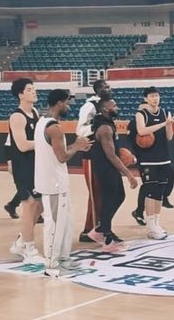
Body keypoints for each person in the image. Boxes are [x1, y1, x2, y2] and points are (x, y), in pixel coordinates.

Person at [35, 89, 92, 277]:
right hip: (53, 184)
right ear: (59, 103)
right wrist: (77, 146)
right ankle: (51, 266)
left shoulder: (41, 121)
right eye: (67, 102)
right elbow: (62, 157)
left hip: (57, 182)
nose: (69, 106)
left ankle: (63, 258)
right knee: (54, 225)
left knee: (66, 224)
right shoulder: (54, 128)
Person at [87, 95, 139, 252]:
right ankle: (107, 239)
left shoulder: (108, 124)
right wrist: (128, 174)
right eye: (114, 105)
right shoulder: (105, 128)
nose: (117, 108)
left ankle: (100, 229)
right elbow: (111, 155)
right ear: (105, 108)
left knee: (118, 196)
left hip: (110, 168)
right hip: (105, 168)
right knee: (109, 200)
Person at [8, 78, 45, 264]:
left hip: (35, 165)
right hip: (23, 166)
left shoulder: (35, 112)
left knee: (40, 206)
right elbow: (22, 145)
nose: (34, 92)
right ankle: (29, 251)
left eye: (34, 88)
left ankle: (21, 242)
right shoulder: (17, 116)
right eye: (29, 89)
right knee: (30, 206)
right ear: (21, 94)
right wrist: (44, 143)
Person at [136, 86, 174, 240]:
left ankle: (156, 224)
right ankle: (151, 226)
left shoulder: (164, 112)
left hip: (164, 158)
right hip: (148, 159)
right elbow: (141, 131)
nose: (155, 98)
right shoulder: (141, 114)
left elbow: (169, 137)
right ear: (146, 98)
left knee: (159, 193)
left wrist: (169, 124)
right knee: (150, 192)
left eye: (157, 96)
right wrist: (163, 124)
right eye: (152, 96)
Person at [76, 79, 110, 243]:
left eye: (108, 86)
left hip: (105, 155)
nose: (108, 89)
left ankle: (103, 227)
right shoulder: (89, 106)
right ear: (97, 90)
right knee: (96, 193)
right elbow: (79, 130)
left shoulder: (108, 105)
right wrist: (94, 127)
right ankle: (89, 230)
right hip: (92, 154)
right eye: (105, 87)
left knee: (106, 193)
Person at [130, 102, 149, 226]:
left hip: (155, 158)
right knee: (147, 184)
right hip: (143, 159)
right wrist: (134, 156)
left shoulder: (153, 123)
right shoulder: (133, 124)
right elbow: (130, 142)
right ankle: (139, 211)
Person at [4, 134, 20, 219]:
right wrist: (10, 163)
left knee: (31, 187)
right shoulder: (16, 128)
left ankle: (12, 205)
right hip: (19, 161)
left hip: (31, 160)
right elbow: (8, 145)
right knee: (27, 187)